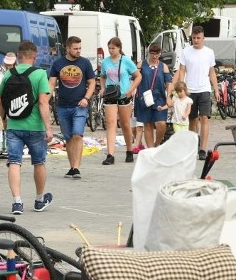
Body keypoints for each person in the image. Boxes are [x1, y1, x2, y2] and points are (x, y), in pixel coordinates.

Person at [0, 40, 53, 214]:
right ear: (34, 56)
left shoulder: (8, 74)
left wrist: (5, 119)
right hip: (35, 127)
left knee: (14, 162)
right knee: (39, 162)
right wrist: (49, 128)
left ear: (18, 57)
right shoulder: (40, 74)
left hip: (14, 125)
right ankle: (39, 200)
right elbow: (43, 102)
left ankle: (17, 202)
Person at [48, 36, 96, 179]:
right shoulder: (58, 64)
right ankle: (71, 167)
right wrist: (46, 98)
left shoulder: (85, 63)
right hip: (63, 106)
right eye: (75, 48)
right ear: (67, 48)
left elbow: (92, 83)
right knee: (68, 137)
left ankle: (76, 168)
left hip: (79, 105)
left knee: (77, 134)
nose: (78, 51)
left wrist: (86, 98)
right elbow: (51, 83)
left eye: (80, 48)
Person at [172, 25, 219, 160]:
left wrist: (216, 89)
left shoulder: (209, 52)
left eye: (198, 38)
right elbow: (182, 70)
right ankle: (193, 146)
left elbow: (211, 72)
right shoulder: (186, 52)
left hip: (204, 89)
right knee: (192, 120)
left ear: (203, 38)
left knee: (204, 118)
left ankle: (203, 149)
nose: (196, 40)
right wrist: (182, 89)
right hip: (190, 90)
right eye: (194, 38)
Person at [99, 37, 140, 165]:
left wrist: (131, 89)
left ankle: (129, 150)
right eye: (109, 48)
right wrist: (102, 88)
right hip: (111, 95)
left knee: (125, 124)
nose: (111, 51)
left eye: (113, 48)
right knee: (111, 123)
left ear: (119, 48)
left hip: (124, 95)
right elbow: (102, 76)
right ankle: (110, 154)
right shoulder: (105, 62)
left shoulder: (126, 60)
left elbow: (138, 76)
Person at [134, 43, 172, 148]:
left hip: (159, 98)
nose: (154, 56)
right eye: (152, 53)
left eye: (157, 54)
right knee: (148, 124)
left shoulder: (163, 66)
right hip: (144, 98)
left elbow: (169, 82)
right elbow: (135, 78)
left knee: (161, 123)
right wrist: (132, 91)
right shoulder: (141, 64)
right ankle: (151, 150)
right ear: (148, 53)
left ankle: (157, 143)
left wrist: (169, 96)